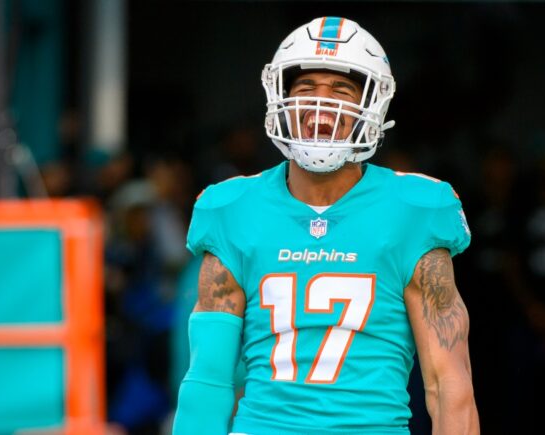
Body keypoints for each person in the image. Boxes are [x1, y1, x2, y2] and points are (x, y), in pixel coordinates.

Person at [172, 16, 478, 434]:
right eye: (305, 88)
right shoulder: (233, 207)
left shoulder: (414, 209)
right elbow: (208, 381)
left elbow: (448, 385)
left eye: (340, 90)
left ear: (371, 105)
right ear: (279, 96)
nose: (321, 106)